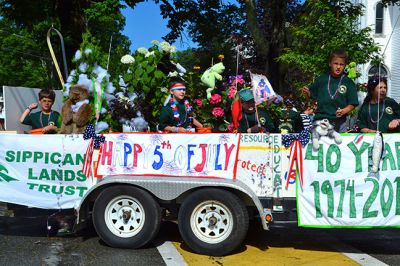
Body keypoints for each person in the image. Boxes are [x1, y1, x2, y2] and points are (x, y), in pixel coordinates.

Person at [303, 49, 359, 132]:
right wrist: (307, 94)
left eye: (341, 64)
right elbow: (311, 97)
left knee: (339, 144)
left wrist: (344, 111)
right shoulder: (321, 80)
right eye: (336, 63)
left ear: (345, 65)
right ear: (330, 63)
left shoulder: (348, 82)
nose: (338, 67)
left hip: (340, 123)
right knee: (319, 144)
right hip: (320, 121)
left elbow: (353, 103)